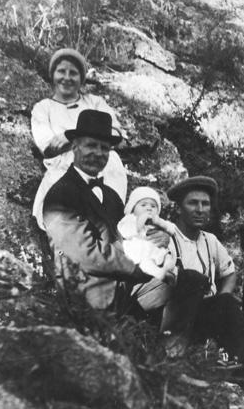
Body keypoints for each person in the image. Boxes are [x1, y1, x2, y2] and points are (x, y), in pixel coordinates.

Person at [137, 176, 244, 368]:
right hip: (179, 318)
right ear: (179, 207)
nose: (200, 209)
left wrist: (223, 298)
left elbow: (229, 272)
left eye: (205, 204)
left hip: (210, 312)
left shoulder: (209, 240)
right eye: (193, 203)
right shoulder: (167, 237)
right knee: (238, 315)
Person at [43, 110, 162, 310]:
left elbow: (128, 236)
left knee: (189, 280)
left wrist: (155, 239)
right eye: (91, 145)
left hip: (121, 282)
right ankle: (134, 332)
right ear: (75, 147)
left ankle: (165, 339)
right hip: (88, 291)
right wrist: (139, 267)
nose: (98, 153)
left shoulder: (111, 195)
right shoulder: (60, 195)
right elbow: (87, 255)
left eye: (104, 148)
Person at [32, 48, 127, 230]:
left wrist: (70, 135)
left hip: (99, 160)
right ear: (53, 75)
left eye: (73, 73)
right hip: (64, 164)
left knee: (112, 163)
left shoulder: (95, 102)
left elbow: (115, 133)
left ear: (81, 78)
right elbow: (48, 146)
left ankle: (109, 222)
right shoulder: (43, 108)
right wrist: (73, 142)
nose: (67, 78)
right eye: (61, 71)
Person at [117, 186, 178, 283]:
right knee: (146, 265)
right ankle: (161, 275)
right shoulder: (129, 219)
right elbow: (125, 232)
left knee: (168, 258)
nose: (149, 208)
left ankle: (169, 270)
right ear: (133, 208)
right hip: (139, 254)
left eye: (153, 206)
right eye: (143, 205)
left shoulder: (155, 222)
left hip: (155, 253)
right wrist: (139, 222)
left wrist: (160, 223)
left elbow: (172, 229)